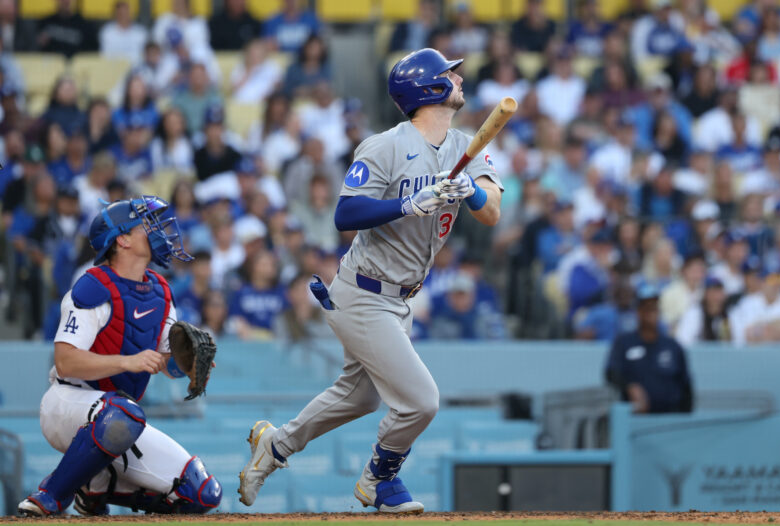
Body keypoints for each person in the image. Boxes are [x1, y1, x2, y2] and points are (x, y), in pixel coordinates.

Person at [237, 48, 503, 513]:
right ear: (428, 88)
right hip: (363, 291)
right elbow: (345, 213)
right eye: (449, 73)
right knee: (421, 401)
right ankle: (379, 479)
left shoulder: (467, 145)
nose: (459, 78)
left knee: (358, 397)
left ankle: (275, 445)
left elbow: (492, 212)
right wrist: (409, 203)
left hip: (403, 298)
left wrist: (472, 191)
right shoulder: (386, 145)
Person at [17, 196, 222, 516]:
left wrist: (189, 366)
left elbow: (165, 363)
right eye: (147, 224)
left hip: (121, 421)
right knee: (125, 412)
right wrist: (127, 361)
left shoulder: (161, 290)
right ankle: (51, 495)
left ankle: (95, 488)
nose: (158, 230)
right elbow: (65, 362)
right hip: (66, 403)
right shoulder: (94, 286)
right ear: (122, 239)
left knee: (203, 493)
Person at [605, 284, 693, 414]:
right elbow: (611, 372)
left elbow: (686, 386)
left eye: (654, 308)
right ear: (638, 311)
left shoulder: (672, 346)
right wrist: (630, 386)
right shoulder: (624, 342)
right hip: (635, 418)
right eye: (646, 308)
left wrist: (683, 419)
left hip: (669, 418)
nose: (651, 312)